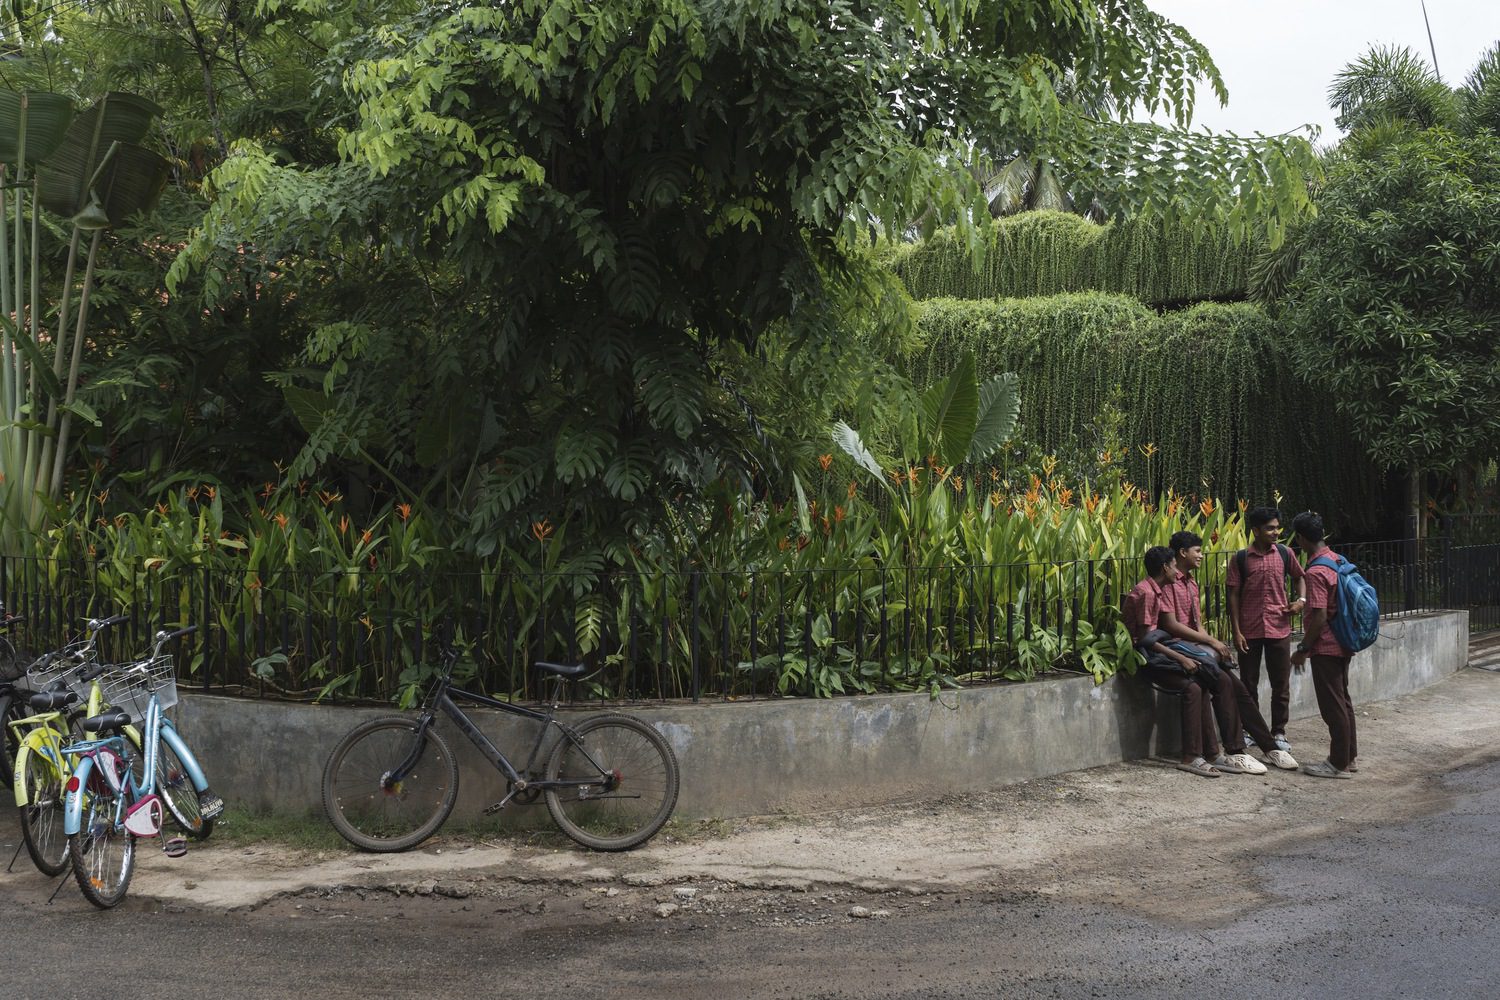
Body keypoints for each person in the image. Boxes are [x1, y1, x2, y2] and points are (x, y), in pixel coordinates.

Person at [1159, 530, 1299, 773]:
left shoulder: (1191, 582)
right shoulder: (1169, 582)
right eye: (1197, 551)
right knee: (1223, 683)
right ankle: (1235, 750)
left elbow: (1196, 624)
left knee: (1239, 689)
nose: (1201, 556)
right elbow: (1171, 625)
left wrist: (1211, 644)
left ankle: (1269, 747)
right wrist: (1212, 642)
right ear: (1182, 553)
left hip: (1196, 650)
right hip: (1177, 650)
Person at [1123, 546, 1222, 777]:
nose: (1177, 571)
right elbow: (1144, 639)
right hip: (1144, 657)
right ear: (1165, 567)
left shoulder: (1155, 590)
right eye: (1174, 566)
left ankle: (1210, 752)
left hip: (1155, 651)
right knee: (1192, 687)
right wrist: (1181, 658)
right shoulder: (1147, 593)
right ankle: (1190, 757)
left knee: (1201, 682)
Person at [1227, 507, 1306, 754]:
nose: (1275, 532)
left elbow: (1299, 577)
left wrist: (1301, 601)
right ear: (1256, 530)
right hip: (1249, 630)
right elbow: (1233, 595)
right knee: (1248, 684)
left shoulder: (1284, 553)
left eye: (1277, 528)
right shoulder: (1241, 558)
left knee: (1280, 684)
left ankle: (1279, 732)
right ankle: (1250, 730)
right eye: (1270, 528)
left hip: (1279, 627)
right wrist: (1236, 631)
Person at [1290, 511, 1358, 779]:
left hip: (1327, 646)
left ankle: (1338, 764)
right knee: (1343, 701)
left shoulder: (1316, 571)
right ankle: (1349, 757)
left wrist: (1302, 649)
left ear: (1301, 538)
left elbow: (1319, 616)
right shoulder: (1336, 559)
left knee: (1333, 706)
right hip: (1344, 640)